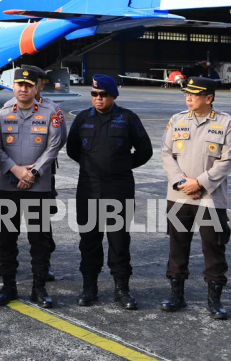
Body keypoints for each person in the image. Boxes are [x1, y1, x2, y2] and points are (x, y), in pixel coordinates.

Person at [66, 75, 152, 310]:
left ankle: (121, 289)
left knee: (119, 240)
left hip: (119, 188)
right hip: (89, 188)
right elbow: (72, 149)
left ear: (113, 95)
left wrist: (121, 165)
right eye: (94, 94)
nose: (98, 98)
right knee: (89, 240)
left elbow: (145, 150)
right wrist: (92, 167)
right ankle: (89, 287)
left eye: (103, 94)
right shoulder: (82, 119)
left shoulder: (127, 118)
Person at [161, 77, 231, 320]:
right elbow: (166, 154)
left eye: (194, 94)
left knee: (213, 246)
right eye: (187, 94)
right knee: (177, 245)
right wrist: (181, 182)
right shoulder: (177, 120)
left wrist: (200, 183)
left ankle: (214, 299)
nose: (189, 98)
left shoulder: (226, 123)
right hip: (178, 196)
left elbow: (227, 160)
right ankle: (177, 295)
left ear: (209, 98)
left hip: (210, 199)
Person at [0, 69, 62, 308]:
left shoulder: (50, 113)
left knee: (39, 240)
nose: (23, 89)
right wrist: (15, 170)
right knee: (7, 238)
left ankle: (38, 288)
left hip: (38, 187)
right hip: (9, 186)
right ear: (13, 87)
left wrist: (32, 173)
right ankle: (8, 286)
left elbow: (53, 147)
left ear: (36, 88)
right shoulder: (1, 114)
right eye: (19, 84)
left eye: (28, 85)